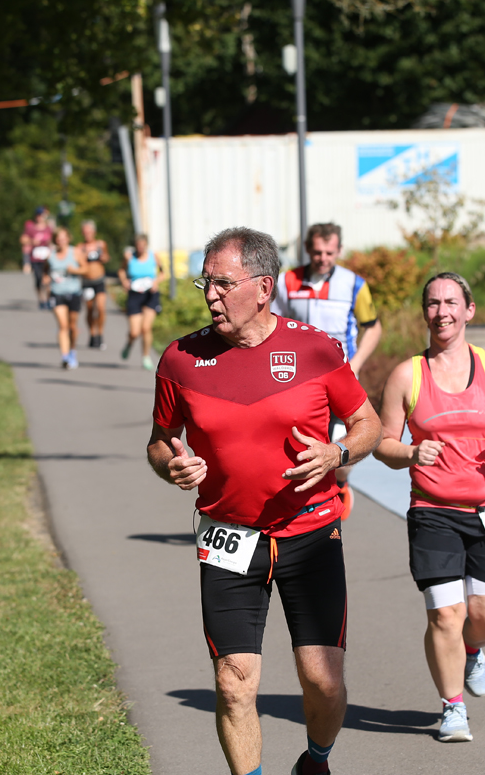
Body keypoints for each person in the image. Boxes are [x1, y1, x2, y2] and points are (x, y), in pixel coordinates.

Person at [147, 227, 381, 775]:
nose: (210, 295)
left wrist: (338, 453)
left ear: (262, 287)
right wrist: (171, 466)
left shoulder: (315, 349)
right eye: (205, 282)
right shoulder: (181, 359)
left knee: (323, 680)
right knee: (233, 682)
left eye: (222, 283)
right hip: (229, 539)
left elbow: (367, 424)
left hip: (311, 532)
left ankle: (316, 759)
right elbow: (159, 442)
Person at [373, 272, 485, 743]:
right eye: (433, 303)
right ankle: (452, 708)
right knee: (444, 613)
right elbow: (383, 443)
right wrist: (409, 453)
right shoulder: (407, 375)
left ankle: (473, 650)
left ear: (469, 310)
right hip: (433, 511)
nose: (442, 312)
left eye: (451, 303)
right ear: (425, 312)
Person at [273, 222, 382, 519]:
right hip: (298, 381)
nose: (323, 258)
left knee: (344, 447)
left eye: (330, 252)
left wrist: (355, 363)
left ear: (339, 250)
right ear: (308, 250)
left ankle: (342, 485)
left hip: (342, 379)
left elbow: (373, 327)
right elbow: (273, 324)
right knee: (298, 444)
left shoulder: (353, 283)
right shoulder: (286, 282)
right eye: (318, 252)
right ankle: (305, 507)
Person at [119, 234, 166, 371]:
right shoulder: (129, 256)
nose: (140, 248)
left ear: (146, 245)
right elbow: (121, 271)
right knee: (135, 331)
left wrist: (156, 282)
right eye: (138, 245)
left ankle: (145, 356)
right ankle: (129, 343)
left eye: (142, 245)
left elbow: (162, 272)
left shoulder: (153, 256)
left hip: (150, 294)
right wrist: (124, 281)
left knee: (146, 328)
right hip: (134, 294)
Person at [48, 227, 87, 369]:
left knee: (72, 326)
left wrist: (74, 270)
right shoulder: (51, 255)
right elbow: (47, 271)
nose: (61, 241)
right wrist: (47, 281)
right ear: (55, 240)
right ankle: (64, 356)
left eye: (63, 238)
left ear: (68, 239)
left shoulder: (75, 252)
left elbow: (85, 269)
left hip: (74, 293)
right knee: (63, 326)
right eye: (58, 238)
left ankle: (72, 351)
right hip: (56, 293)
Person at [79, 219, 109, 349]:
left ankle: (100, 333)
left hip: (99, 280)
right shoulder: (80, 248)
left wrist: (103, 257)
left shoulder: (100, 244)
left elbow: (107, 257)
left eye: (89, 231)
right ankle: (92, 334)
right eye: (85, 232)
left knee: (101, 308)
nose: (87, 234)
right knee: (90, 309)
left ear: (94, 232)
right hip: (87, 282)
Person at [20, 207, 54, 309]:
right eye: (39, 215)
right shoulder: (31, 228)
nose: (40, 218)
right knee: (38, 280)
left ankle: (48, 299)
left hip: (47, 258)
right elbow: (23, 240)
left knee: (47, 279)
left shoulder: (49, 228)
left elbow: (55, 239)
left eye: (42, 215)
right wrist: (32, 241)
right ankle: (41, 300)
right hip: (35, 258)